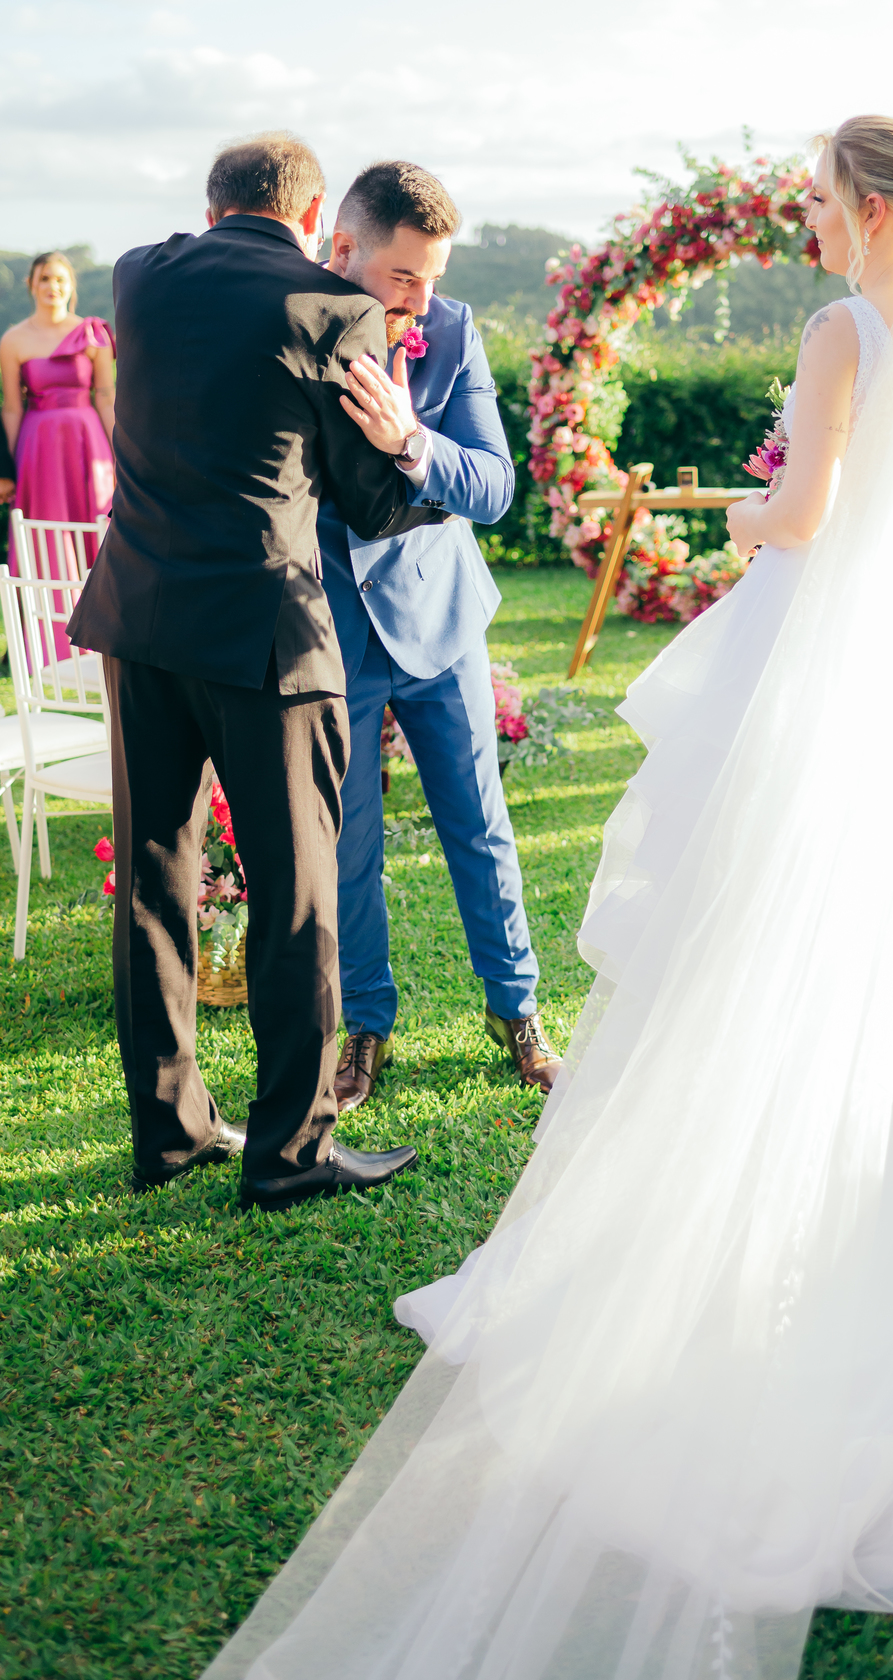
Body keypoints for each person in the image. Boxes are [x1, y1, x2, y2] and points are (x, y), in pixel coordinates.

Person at [202, 119, 893, 1680]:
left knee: (758, 940)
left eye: (824, 207)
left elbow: (798, 518)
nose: (818, 232)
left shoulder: (845, 328)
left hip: (829, 663)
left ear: (862, 207)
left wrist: (782, 518)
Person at [67, 133, 445, 1213]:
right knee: (296, 896)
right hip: (267, 641)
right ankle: (290, 1154)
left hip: (138, 622)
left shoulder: (139, 278)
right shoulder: (334, 310)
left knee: (152, 885)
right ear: (314, 207)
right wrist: (407, 439)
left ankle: (172, 1136)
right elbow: (371, 504)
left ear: (211, 201)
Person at [317, 161, 559, 1113]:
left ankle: (517, 1010)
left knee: (479, 826)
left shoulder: (454, 331)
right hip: (331, 627)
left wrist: (414, 440)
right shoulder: (284, 323)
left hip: (440, 613)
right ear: (344, 252)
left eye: (434, 276)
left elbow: (495, 488)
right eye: (405, 276)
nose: (424, 298)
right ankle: (364, 1027)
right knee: (350, 845)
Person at [1, 251, 116, 655]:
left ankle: (103, 633)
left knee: (97, 528)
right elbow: (12, 407)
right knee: (44, 532)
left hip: (89, 443)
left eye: (61, 280)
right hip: (38, 445)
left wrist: (120, 456)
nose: (53, 287)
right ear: (32, 285)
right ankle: (51, 641)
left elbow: (105, 396)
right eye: (45, 279)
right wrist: (13, 467)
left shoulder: (93, 333)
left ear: (72, 286)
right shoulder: (12, 340)